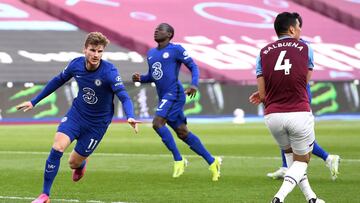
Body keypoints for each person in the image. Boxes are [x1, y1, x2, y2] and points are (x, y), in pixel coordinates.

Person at [16, 32, 140, 203]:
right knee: (57, 147)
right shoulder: (76, 65)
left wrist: (130, 116)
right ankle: (45, 195)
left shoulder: (110, 72)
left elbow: (124, 96)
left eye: (100, 51)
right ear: (85, 50)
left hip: (97, 125)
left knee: (73, 163)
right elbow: (57, 80)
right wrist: (34, 101)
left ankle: (81, 165)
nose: (96, 55)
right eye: (92, 50)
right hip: (77, 115)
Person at [249, 12, 325, 203]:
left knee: (292, 160)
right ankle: (279, 198)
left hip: (273, 117)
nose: (300, 31)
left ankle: (311, 198)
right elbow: (303, 82)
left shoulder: (263, 52)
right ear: (292, 29)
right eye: (299, 27)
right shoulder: (306, 48)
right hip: (298, 111)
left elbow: (264, 94)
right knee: (303, 159)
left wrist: (266, 92)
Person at [132, 23, 221, 181]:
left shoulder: (176, 49)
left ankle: (179, 160)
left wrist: (194, 84)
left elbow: (193, 66)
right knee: (183, 133)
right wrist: (141, 78)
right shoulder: (151, 53)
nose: (156, 31)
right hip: (164, 96)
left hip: (175, 93)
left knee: (157, 123)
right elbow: (154, 75)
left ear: (169, 34)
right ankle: (212, 162)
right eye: (156, 29)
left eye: (161, 29)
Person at [267, 84, 340, 181]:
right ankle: (285, 168)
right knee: (286, 134)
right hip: (291, 97)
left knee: (298, 138)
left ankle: (328, 158)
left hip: (297, 99)